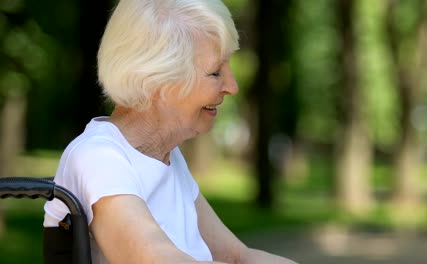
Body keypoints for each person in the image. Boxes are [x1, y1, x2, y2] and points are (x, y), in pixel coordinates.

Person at [43, 0, 299, 263]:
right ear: (156, 80)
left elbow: (237, 256)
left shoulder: (168, 158)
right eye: (215, 72)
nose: (232, 86)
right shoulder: (99, 158)